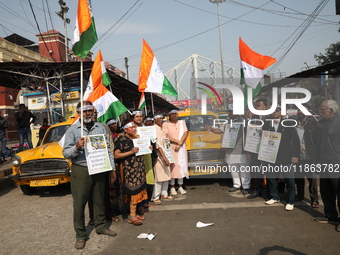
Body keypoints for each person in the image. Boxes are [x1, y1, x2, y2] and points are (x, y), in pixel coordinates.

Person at [62, 101, 117, 250]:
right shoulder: (72, 131)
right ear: (79, 112)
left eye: (89, 111)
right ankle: (80, 235)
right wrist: (77, 147)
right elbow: (66, 153)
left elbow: (107, 151)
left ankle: (100, 227)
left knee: (99, 200)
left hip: (99, 167)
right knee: (79, 203)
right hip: (81, 169)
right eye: (84, 111)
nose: (87, 114)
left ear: (93, 112)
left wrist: (112, 169)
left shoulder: (100, 128)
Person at [262, 105, 300, 211]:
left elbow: (295, 140)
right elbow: (262, 140)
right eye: (273, 110)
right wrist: (262, 156)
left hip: (286, 156)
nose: (275, 111)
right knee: (271, 178)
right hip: (270, 156)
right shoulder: (266, 123)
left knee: (289, 180)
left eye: (277, 110)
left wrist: (295, 155)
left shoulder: (288, 123)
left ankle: (290, 201)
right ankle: (275, 197)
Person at [209, 104, 251, 194]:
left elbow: (249, 123)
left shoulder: (243, 121)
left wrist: (244, 115)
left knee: (244, 169)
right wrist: (211, 129)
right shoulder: (227, 122)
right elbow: (219, 130)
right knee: (233, 169)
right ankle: (236, 185)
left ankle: (246, 186)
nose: (229, 113)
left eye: (230, 111)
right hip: (230, 150)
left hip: (242, 150)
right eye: (228, 111)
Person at [114, 119, 148, 226]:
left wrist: (148, 148)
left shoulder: (136, 138)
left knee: (139, 190)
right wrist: (130, 152)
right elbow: (116, 155)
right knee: (133, 191)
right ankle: (132, 215)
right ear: (125, 129)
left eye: (134, 127)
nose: (134, 129)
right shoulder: (121, 140)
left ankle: (136, 212)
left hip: (139, 169)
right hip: (129, 170)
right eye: (131, 127)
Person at [314, 100, 340, 232]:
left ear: (331, 110)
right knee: (326, 191)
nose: (320, 112)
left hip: (336, 163)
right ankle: (331, 216)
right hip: (323, 163)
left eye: (322, 109)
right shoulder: (322, 123)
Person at [294, 105, 319, 208]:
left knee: (312, 179)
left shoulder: (313, 123)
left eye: (303, 110)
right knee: (299, 178)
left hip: (310, 156)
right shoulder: (294, 123)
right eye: (299, 110)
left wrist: (315, 154)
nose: (300, 112)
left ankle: (314, 199)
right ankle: (300, 196)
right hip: (298, 156)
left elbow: (318, 140)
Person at [162, 109, 188, 195]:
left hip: (181, 147)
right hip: (171, 147)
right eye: (172, 114)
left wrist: (180, 144)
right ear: (169, 115)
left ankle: (180, 186)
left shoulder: (182, 122)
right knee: (173, 166)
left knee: (181, 165)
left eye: (175, 114)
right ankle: (172, 187)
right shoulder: (165, 124)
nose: (174, 115)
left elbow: (185, 133)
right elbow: (165, 135)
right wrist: (177, 142)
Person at [247, 99, 268, 199]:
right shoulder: (252, 119)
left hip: (268, 150)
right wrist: (248, 149)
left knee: (269, 171)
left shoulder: (269, 118)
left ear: (265, 107)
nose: (256, 108)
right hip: (254, 149)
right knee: (257, 170)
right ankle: (257, 190)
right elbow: (249, 134)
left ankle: (270, 191)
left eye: (259, 105)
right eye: (255, 106)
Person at [151, 114, 172, 204]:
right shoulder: (155, 129)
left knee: (166, 174)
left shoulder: (161, 128)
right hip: (160, 155)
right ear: (155, 120)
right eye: (159, 118)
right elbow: (158, 146)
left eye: (161, 118)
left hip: (166, 153)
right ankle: (155, 197)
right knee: (159, 177)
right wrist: (164, 157)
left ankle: (164, 193)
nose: (161, 119)